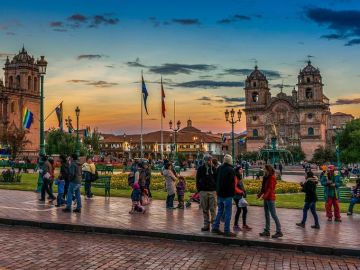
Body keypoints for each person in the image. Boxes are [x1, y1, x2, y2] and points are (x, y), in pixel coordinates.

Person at [212, 154, 236, 237]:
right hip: (228, 194)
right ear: (230, 160)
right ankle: (226, 230)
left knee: (220, 211)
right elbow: (232, 183)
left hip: (220, 193)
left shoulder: (219, 168)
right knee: (228, 212)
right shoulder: (231, 170)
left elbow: (215, 179)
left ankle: (215, 227)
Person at [257, 164, 283, 238]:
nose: (263, 170)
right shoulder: (266, 177)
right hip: (266, 198)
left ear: (268, 170)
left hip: (270, 198)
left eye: (264, 169)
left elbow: (270, 189)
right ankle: (267, 230)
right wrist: (259, 195)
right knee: (266, 214)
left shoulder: (272, 177)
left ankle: (279, 231)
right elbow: (263, 188)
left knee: (273, 214)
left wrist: (264, 196)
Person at [196, 154, 217, 231]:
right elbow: (197, 180)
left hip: (212, 191)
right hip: (203, 191)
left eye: (210, 160)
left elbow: (217, 179)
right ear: (205, 160)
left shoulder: (214, 169)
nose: (209, 161)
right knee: (205, 209)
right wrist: (199, 190)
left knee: (213, 209)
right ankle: (206, 225)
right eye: (208, 160)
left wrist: (216, 189)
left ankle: (214, 225)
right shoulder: (201, 169)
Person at [233, 166, 252, 231]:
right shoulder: (235, 177)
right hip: (237, 196)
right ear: (237, 170)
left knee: (245, 210)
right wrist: (241, 192)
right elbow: (234, 187)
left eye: (242, 169)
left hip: (240, 196)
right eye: (240, 169)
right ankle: (235, 225)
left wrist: (244, 191)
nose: (242, 170)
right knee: (239, 210)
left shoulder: (239, 177)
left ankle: (244, 224)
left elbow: (241, 185)